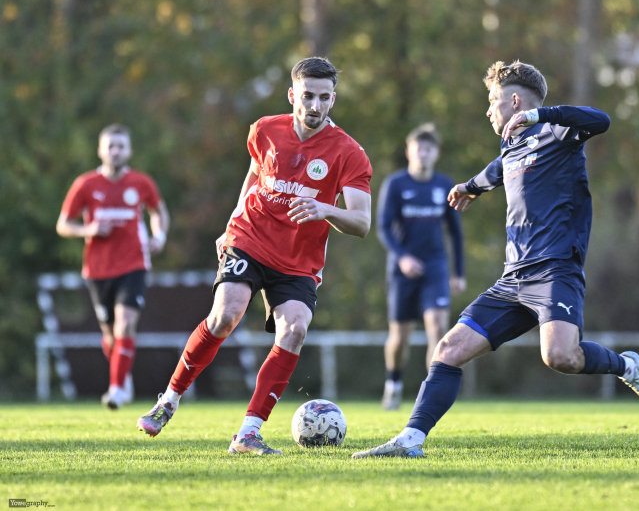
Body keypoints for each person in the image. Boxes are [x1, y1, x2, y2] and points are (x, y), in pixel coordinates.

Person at [353, 60, 639, 459]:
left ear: (515, 101)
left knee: (560, 357)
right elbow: (503, 167)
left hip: (554, 270)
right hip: (512, 280)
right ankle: (409, 441)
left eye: (492, 101)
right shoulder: (512, 144)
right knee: (448, 349)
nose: (488, 110)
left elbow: (600, 120)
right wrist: (470, 186)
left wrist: (541, 115)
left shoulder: (558, 131)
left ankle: (627, 367)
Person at [136, 57, 373, 455]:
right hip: (251, 237)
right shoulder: (265, 130)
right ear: (292, 95)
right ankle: (168, 402)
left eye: (324, 98)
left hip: (298, 259)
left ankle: (248, 434)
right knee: (226, 315)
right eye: (308, 96)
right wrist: (232, 221)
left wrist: (325, 210)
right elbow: (254, 175)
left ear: (333, 99)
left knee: (295, 330)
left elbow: (362, 222)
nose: (315, 105)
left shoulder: (349, 152)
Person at [56, 124, 170, 409]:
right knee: (110, 335)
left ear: (129, 151)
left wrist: (159, 236)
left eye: (121, 146)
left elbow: (158, 211)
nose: (115, 151)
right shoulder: (85, 184)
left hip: (134, 265)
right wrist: (89, 229)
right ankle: (123, 374)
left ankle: (116, 388)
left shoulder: (141, 183)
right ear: (100, 150)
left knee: (125, 323)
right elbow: (63, 224)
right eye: (110, 146)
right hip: (98, 270)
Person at [377, 123, 466, 410]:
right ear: (409, 152)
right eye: (419, 149)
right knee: (400, 337)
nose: (423, 154)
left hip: (435, 268)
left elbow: (455, 232)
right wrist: (402, 257)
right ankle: (393, 384)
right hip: (402, 271)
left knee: (438, 328)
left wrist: (458, 272)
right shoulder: (396, 184)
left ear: (436, 153)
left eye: (429, 149)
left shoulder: (444, 185)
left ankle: (430, 396)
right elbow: (383, 227)